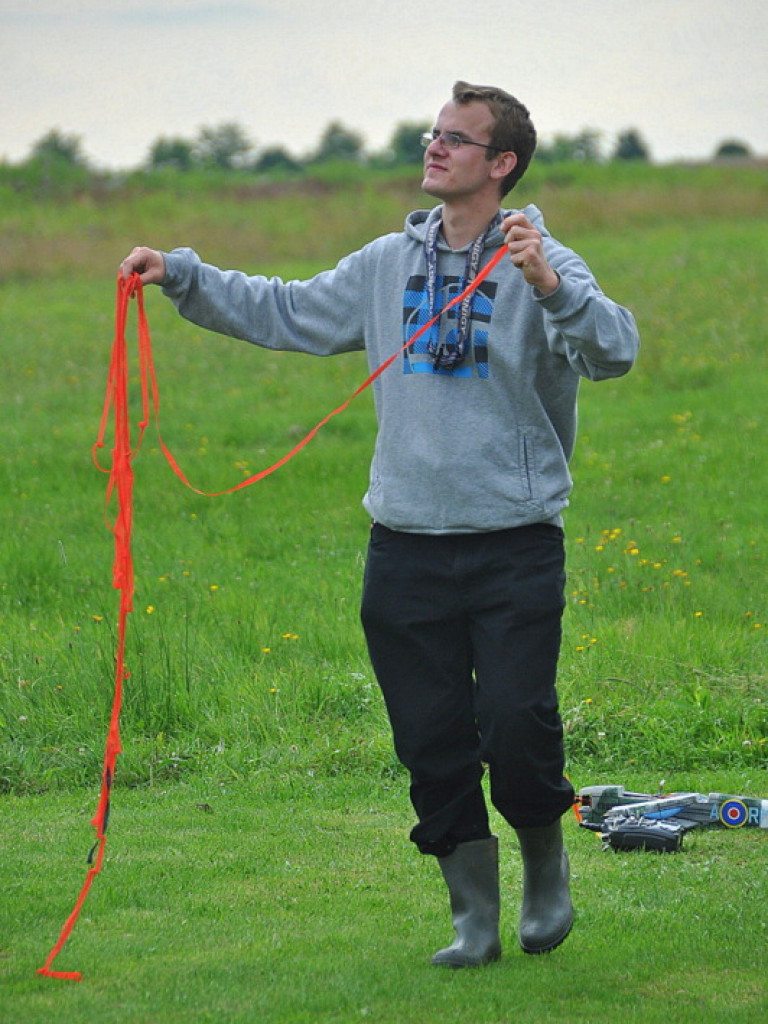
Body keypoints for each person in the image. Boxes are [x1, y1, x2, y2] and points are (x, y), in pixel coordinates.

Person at [120, 81, 639, 967]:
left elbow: (615, 348)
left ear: (501, 163)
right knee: (431, 739)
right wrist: (186, 278)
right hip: (403, 547)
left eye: (456, 139)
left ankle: (546, 866)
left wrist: (551, 287)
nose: (434, 147)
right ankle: (473, 916)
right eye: (434, 134)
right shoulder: (384, 265)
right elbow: (287, 309)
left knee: (517, 724)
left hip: (514, 543)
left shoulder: (542, 257)